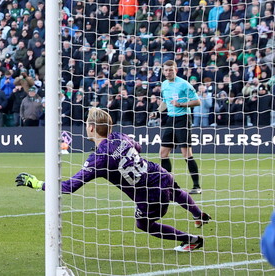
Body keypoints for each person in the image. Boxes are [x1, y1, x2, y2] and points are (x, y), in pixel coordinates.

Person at [15, 108, 209, 252]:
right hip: (158, 173)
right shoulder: (120, 136)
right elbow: (138, 147)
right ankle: (198, 214)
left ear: (91, 127)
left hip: (148, 195)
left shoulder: (98, 159)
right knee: (176, 192)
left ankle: (191, 239)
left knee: (144, 224)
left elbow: (68, 187)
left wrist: (37, 184)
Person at [159, 60, 202, 194]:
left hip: (183, 118)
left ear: (176, 70)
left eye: (170, 70)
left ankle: (196, 186)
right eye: (166, 70)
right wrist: (157, 111)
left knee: (186, 154)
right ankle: (167, 184)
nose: (168, 72)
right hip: (170, 119)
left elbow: (197, 101)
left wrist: (181, 105)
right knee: (163, 153)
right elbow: (165, 102)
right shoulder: (164, 84)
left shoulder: (184, 84)